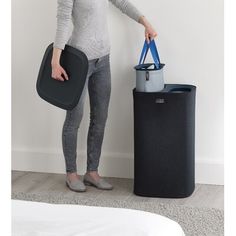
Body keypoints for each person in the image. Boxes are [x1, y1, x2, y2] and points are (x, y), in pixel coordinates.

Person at [51, 0, 157, 192]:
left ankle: (92, 172)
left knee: (100, 117)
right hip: (79, 60)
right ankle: (71, 173)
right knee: (74, 117)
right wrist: (55, 61)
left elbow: (123, 3)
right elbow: (63, 20)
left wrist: (146, 23)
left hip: (103, 59)